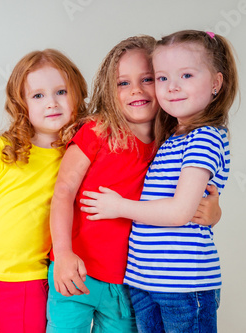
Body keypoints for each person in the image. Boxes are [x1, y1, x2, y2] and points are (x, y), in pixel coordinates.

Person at [48, 35, 223, 333]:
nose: (137, 90)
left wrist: (214, 212)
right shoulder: (97, 131)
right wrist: (63, 253)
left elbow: (184, 202)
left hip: (130, 283)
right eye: (123, 83)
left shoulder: (170, 144)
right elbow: (63, 191)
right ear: (109, 88)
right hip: (76, 269)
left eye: (148, 79)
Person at [0, 49, 88, 333]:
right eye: (38, 96)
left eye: (61, 91)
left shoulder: (78, 156)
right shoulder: (2, 149)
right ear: (21, 104)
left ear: (77, 94)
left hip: (30, 287)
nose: (51, 103)